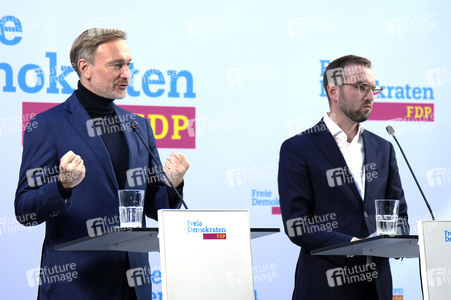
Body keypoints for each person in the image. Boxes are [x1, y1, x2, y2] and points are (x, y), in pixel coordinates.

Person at [15, 28, 189, 299]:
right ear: (85, 68)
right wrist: (61, 186)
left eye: (129, 65)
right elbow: (25, 210)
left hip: (134, 284)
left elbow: (156, 208)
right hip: (76, 286)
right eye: (116, 65)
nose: (127, 74)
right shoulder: (47, 125)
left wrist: (173, 183)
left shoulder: (138, 126)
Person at [278, 55, 409, 300]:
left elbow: (399, 214)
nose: (370, 96)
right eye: (361, 87)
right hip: (324, 286)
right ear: (334, 91)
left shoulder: (384, 148)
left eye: (373, 88)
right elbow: (297, 224)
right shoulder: (298, 148)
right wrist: (354, 243)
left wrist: (396, 238)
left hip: (377, 288)